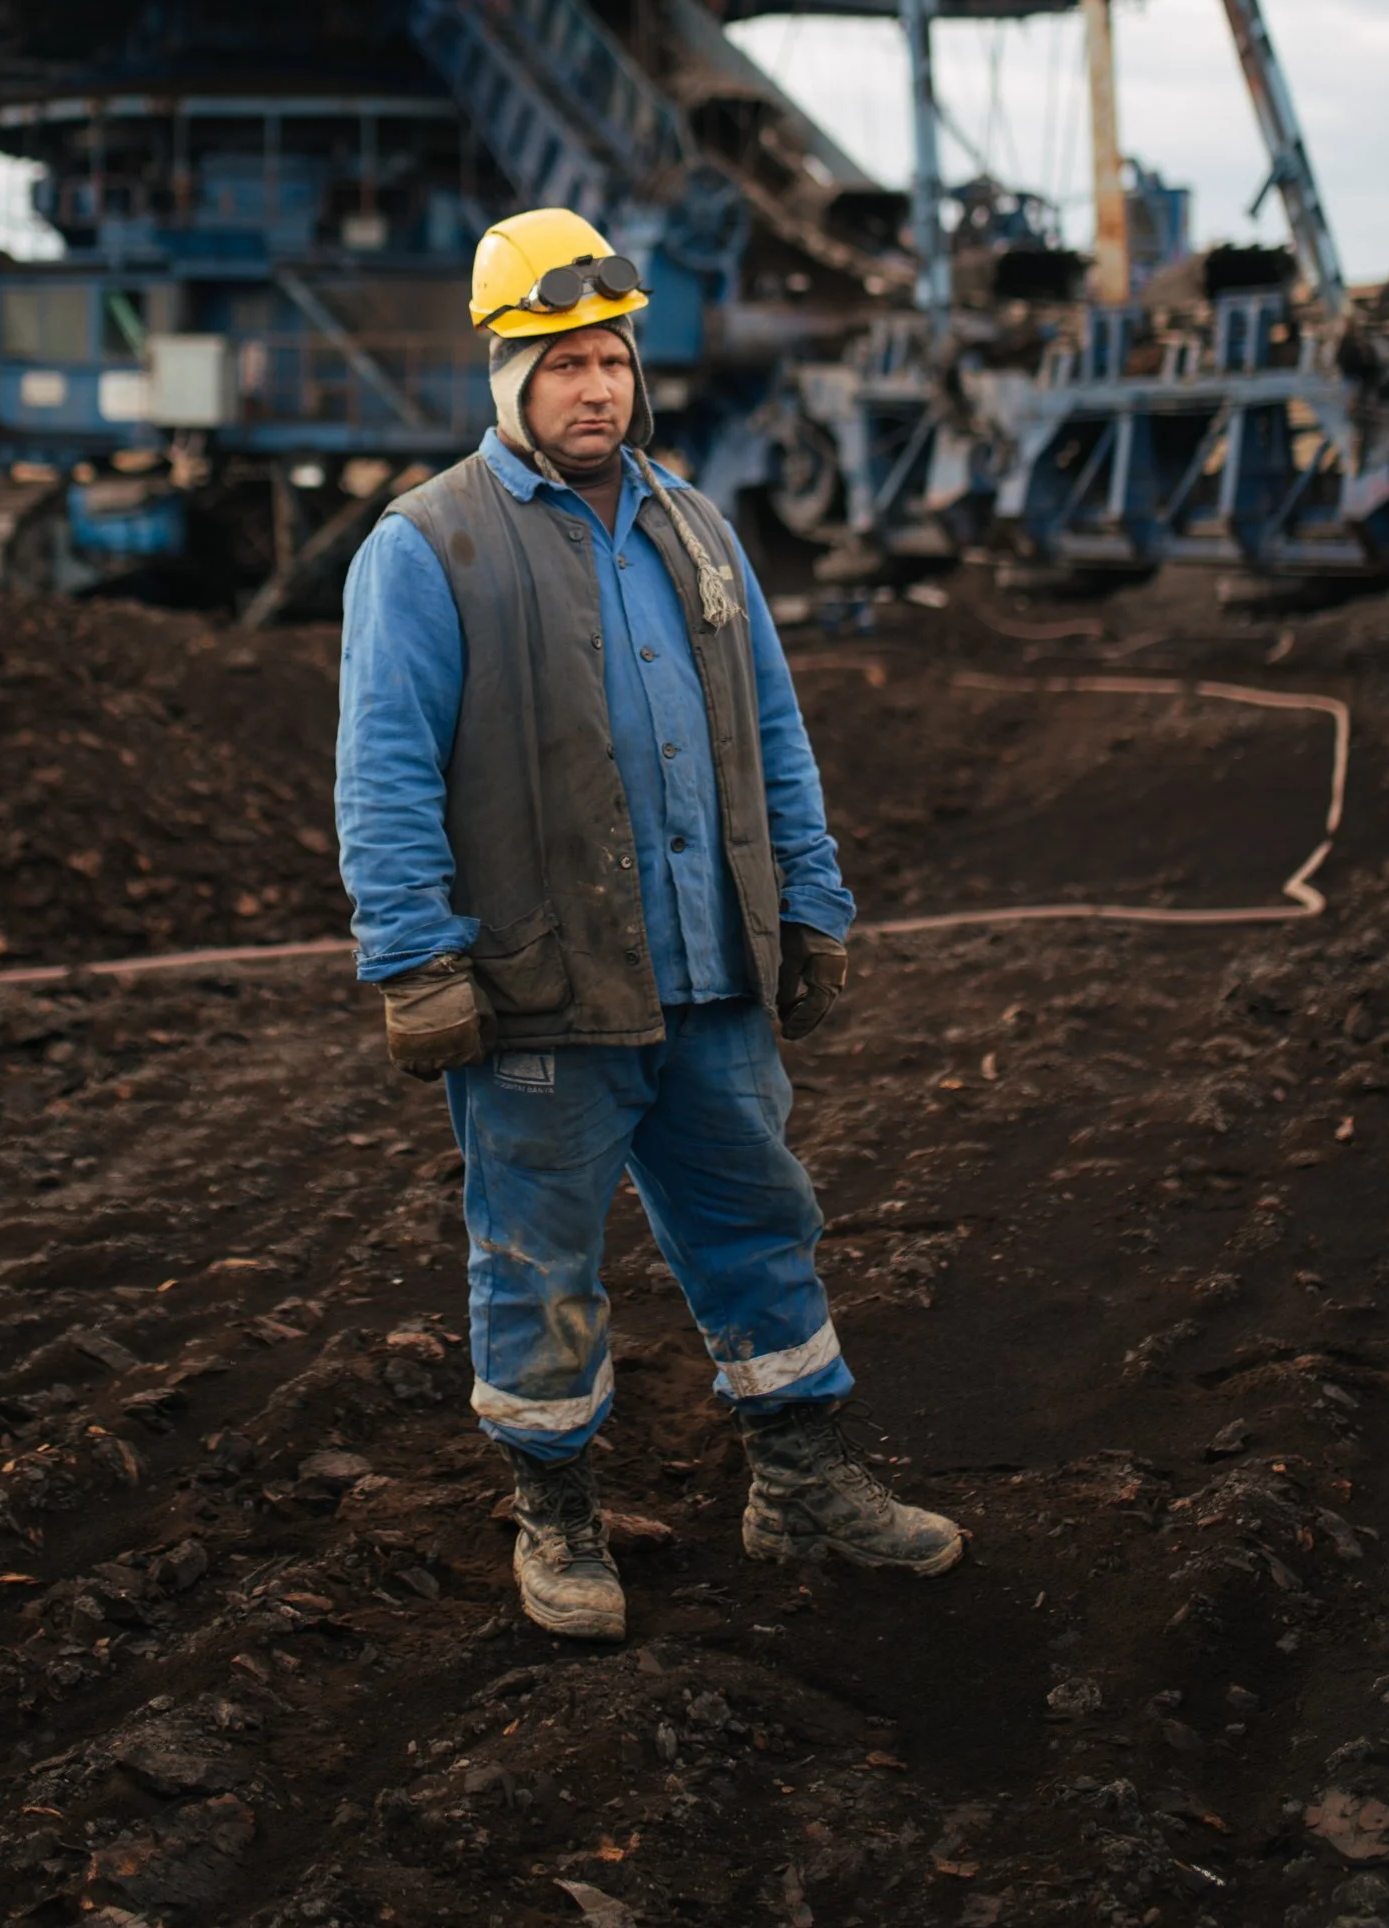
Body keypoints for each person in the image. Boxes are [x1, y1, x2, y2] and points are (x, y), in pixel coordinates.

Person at [334, 207, 963, 1640]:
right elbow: (380, 770)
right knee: (539, 1259)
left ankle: (800, 1486)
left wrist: (811, 904)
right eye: (561, 363)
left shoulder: (694, 525)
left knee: (763, 1228)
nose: (595, 387)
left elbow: (775, 733)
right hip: (546, 992)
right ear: (506, 375)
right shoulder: (430, 547)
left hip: (713, 973)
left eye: (611, 358)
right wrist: (415, 957)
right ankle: (556, 1520)